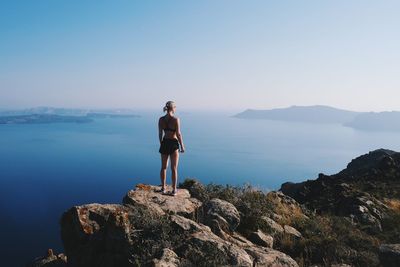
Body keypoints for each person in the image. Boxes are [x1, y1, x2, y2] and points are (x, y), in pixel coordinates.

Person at [158, 101, 185, 196]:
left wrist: (161, 143)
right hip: (173, 144)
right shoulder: (176, 119)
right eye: (175, 107)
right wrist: (182, 146)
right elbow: (178, 134)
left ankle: (163, 188)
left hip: (165, 143)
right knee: (174, 168)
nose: (175, 108)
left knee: (163, 167)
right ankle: (174, 190)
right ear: (172, 108)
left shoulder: (161, 119)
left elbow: (160, 134)